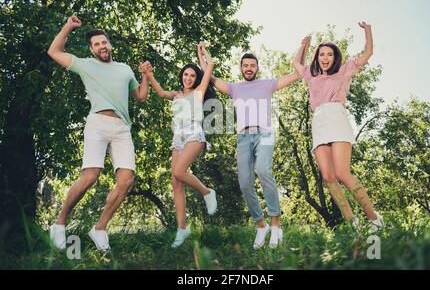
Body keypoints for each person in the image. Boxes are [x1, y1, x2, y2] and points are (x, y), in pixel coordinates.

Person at [47, 15, 150, 252]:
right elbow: (54, 51)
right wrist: (68, 26)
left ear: (109, 44)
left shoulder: (124, 69)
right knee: (90, 175)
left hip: (122, 128)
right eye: (96, 44)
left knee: (126, 180)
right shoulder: (86, 65)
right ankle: (59, 224)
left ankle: (100, 228)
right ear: (92, 49)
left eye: (104, 42)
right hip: (97, 123)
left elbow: (142, 97)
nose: (101, 46)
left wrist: (145, 74)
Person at [209, 42, 308, 249]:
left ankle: (275, 224)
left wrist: (303, 47)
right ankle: (261, 225)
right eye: (245, 65)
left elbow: (297, 73)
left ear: (257, 68)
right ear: (241, 68)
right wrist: (203, 54)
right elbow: (209, 76)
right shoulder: (234, 88)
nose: (249, 68)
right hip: (243, 137)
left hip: (264, 133)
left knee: (263, 170)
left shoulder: (267, 84)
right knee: (245, 182)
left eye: (252, 65)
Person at [292, 22, 384, 233]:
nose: (325, 58)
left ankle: (374, 219)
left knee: (342, 173)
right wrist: (304, 46)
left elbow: (368, 52)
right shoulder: (311, 76)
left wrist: (368, 30)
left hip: (337, 118)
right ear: (317, 57)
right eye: (321, 54)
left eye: (329, 55)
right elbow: (295, 63)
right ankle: (353, 223)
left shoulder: (343, 72)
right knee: (328, 177)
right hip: (319, 122)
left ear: (335, 58)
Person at [141, 42, 217, 248]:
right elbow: (160, 92)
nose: (189, 78)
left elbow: (209, 67)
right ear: (182, 76)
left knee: (179, 171)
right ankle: (182, 228)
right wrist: (148, 74)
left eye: (193, 75)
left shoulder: (199, 92)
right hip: (178, 137)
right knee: (176, 181)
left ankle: (207, 192)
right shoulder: (176, 94)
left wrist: (202, 52)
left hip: (194, 133)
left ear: (196, 79)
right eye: (186, 75)